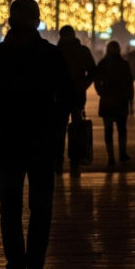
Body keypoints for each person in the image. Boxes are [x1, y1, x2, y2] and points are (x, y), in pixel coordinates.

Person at [0, 0, 77, 269]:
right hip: (43, 140)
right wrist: (58, 126)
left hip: (7, 140)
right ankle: (35, 265)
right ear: (38, 21)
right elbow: (69, 96)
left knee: (10, 207)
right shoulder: (51, 56)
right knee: (41, 206)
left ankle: (16, 267)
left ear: (10, 22)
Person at [56, 25, 95, 177]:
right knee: (75, 127)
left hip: (62, 94)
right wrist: (84, 83)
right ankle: (74, 160)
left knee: (60, 128)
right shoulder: (82, 51)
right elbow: (92, 70)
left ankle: (60, 161)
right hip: (76, 94)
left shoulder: (56, 51)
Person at [93, 41, 134, 166]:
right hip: (121, 101)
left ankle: (111, 157)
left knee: (108, 130)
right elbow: (129, 83)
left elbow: (96, 80)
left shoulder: (103, 64)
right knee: (122, 129)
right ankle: (122, 153)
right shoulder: (124, 64)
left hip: (107, 101)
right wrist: (129, 98)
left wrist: (101, 92)